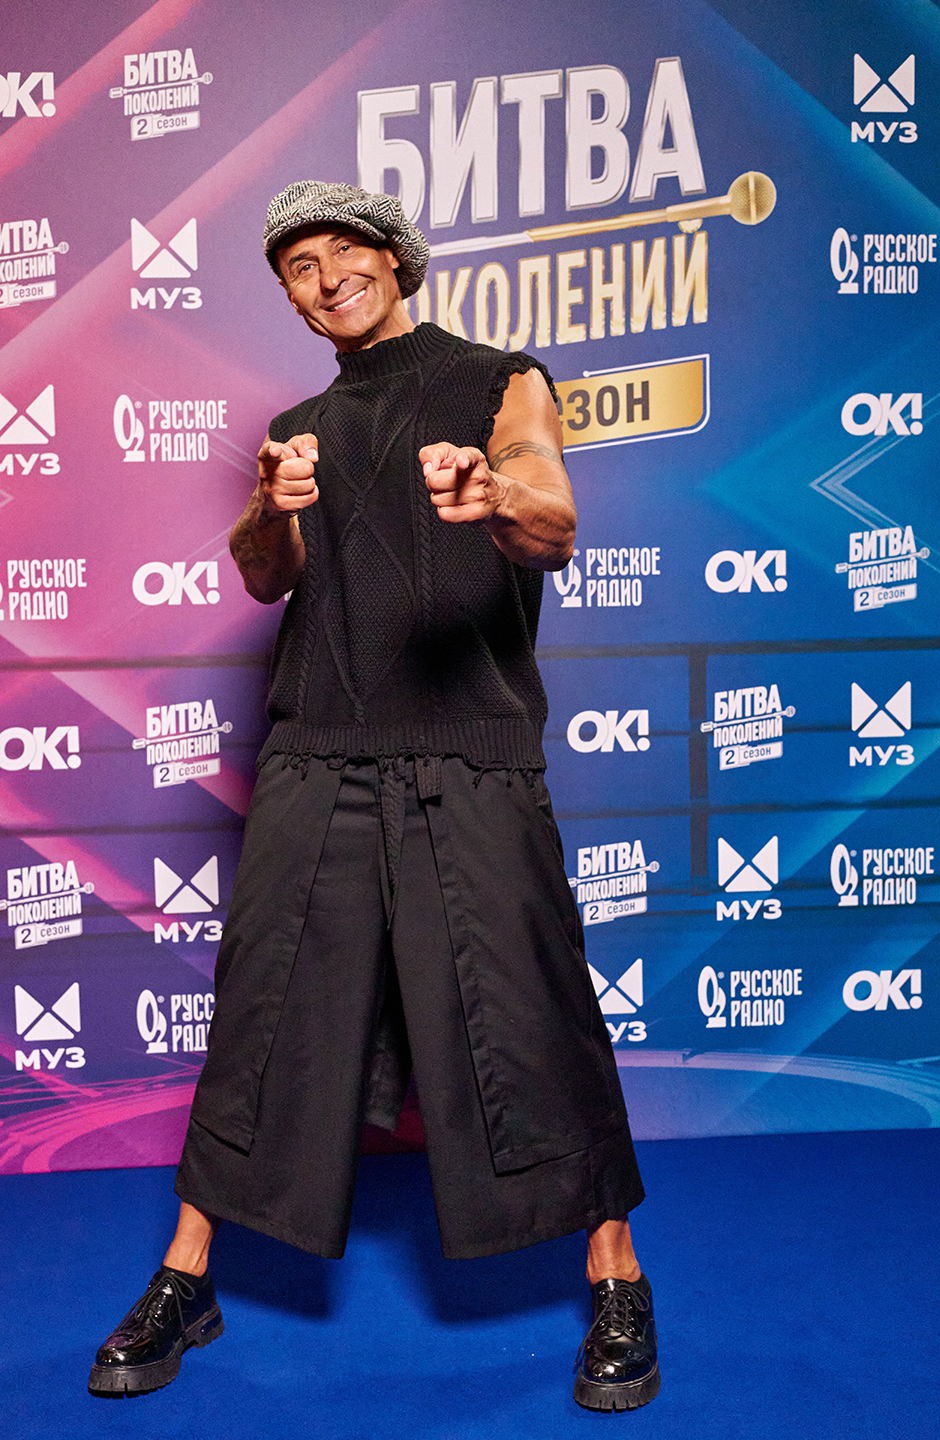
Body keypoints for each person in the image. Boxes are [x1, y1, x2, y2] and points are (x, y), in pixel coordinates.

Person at [89, 183, 659, 1413]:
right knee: (262, 1018)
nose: (326, 275)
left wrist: (493, 496)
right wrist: (271, 505)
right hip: (320, 753)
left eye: (346, 250)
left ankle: (616, 1274)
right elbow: (264, 576)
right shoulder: (297, 429)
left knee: (532, 1012)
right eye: (297, 265)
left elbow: (554, 520)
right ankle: (188, 1276)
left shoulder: (501, 381)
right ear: (290, 298)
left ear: (396, 259)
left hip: (469, 749)